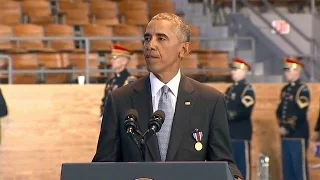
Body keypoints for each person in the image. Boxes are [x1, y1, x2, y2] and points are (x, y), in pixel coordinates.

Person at [93, 13, 242, 180]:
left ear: (183, 49)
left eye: (161, 38)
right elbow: (102, 167)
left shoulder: (210, 101)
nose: (150, 45)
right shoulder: (119, 100)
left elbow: (224, 164)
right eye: (147, 38)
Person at [276, 56, 310, 180]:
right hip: (286, 136)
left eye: (289, 70)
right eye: (285, 70)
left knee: (298, 169)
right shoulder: (285, 90)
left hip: (297, 134)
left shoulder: (302, 90)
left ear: (297, 71)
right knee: (288, 169)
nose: (286, 73)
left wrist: (287, 127)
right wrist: (280, 124)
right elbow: (281, 110)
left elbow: (301, 113)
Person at [100, 44, 137, 117]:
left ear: (124, 61)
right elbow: (105, 102)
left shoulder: (130, 82)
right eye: (111, 58)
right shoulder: (111, 82)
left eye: (114, 58)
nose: (111, 61)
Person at [225, 57, 255, 140]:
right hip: (230, 132)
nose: (232, 72)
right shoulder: (230, 89)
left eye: (235, 70)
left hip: (241, 132)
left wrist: (230, 115)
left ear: (243, 72)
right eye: (232, 69)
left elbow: (246, 111)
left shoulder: (247, 89)